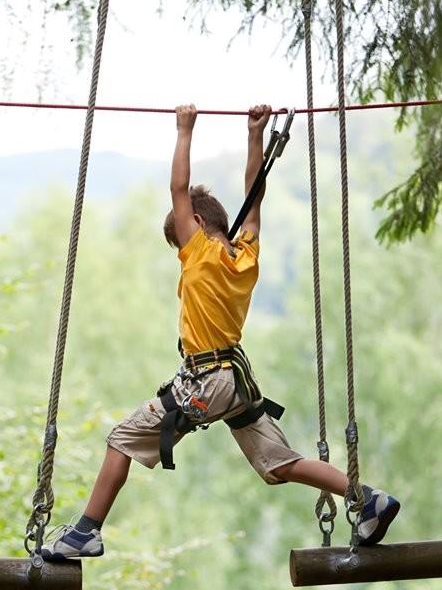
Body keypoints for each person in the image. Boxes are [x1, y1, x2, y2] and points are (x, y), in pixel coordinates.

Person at [41, 104, 399, 561]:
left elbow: (177, 189)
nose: (180, 248)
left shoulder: (200, 254)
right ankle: (366, 498)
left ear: (196, 226)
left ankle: (86, 531)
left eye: (181, 237)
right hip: (236, 381)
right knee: (277, 464)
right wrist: (255, 136)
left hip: (209, 380)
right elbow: (254, 199)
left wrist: (184, 129)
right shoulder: (245, 254)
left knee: (121, 438)